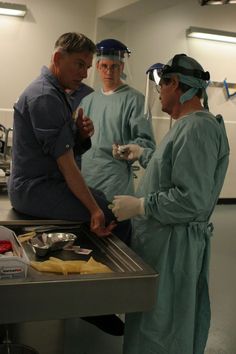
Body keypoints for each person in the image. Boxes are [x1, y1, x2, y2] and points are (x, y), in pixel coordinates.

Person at [111, 54, 230, 353]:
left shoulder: (198, 129)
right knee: (151, 318)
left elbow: (191, 199)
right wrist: (141, 152)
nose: (159, 93)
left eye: (162, 85)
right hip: (162, 243)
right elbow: (171, 168)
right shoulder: (184, 126)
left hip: (174, 249)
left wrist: (141, 207)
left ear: (175, 84)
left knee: (164, 326)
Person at [8, 32, 130, 242]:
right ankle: (102, 272)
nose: (84, 74)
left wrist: (79, 135)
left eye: (87, 68)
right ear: (57, 59)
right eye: (79, 64)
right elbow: (65, 163)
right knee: (116, 217)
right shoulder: (45, 96)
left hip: (44, 184)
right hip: (34, 189)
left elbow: (58, 147)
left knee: (104, 200)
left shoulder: (56, 93)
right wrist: (94, 210)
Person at [79, 38, 155, 202]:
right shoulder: (88, 100)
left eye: (114, 67)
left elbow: (146, 143)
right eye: (104, 66)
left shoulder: (135, 100)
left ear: (122, 67)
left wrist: (127, 149)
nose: (109, 71)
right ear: (98, 67)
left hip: (115, 182)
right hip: (86, 179)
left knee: (113, 224)